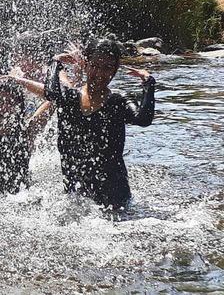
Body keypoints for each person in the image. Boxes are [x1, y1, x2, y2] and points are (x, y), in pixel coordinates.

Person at [10, 37, 155, 210]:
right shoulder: (69, 98)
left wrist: (149, 83)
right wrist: (56, 62)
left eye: (107, 68)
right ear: (86, 65)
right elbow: (51, 92)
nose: (100, 74)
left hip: (114, 197)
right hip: (75, 197)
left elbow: (143, 119)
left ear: (115, 70)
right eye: (95, 66)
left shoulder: (118, 101)